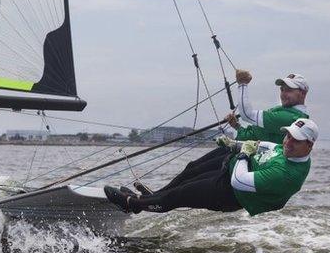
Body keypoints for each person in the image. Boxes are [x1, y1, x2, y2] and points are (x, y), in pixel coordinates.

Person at [131, 70, 311, 196]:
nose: (283, 93)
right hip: (239, 149)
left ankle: (153, 198)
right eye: (282, 89)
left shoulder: (291, 117)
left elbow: (248, 113)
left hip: (246, 159)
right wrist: (237, 127)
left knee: (193, 179)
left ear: (302, 93)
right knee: (192, 167)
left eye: (289, 89)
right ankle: (156, 194)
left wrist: (242, 84)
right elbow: (250, 134)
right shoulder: (280, 110)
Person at [105, 118, 318, 216]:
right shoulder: (288, 149)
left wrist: (242, 154)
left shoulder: (286, 175)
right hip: (229, 169)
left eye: (295, 140)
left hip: (230, 193)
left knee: (179, 195)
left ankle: (132, 204)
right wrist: (236, 145)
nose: (288, 142)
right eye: (287, 135)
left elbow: (240, 181)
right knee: (189, 171)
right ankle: (150, 197)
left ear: (309, 145)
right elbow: (266, 146)